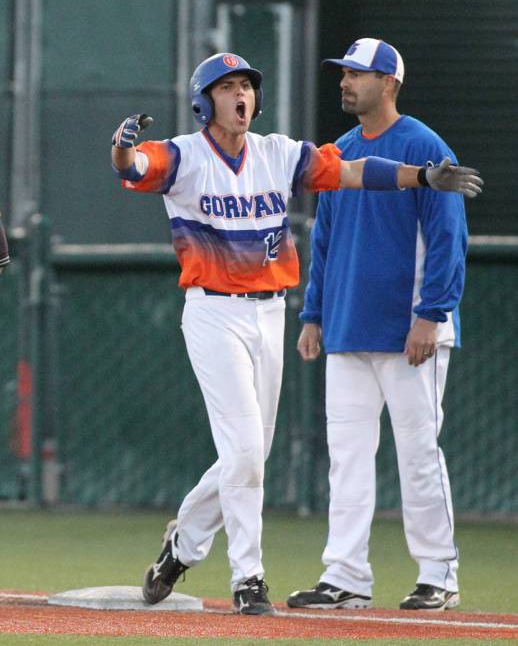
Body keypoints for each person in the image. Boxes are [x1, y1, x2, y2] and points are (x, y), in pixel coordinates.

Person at [111, 52, 482, 615]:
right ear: (204, 100)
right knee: (247, 453)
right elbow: (136, 166)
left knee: (248, 455)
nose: (241, 95)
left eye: (247, 86)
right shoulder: (187, 155)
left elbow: (354, 172)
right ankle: (249, 578)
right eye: (228, 86)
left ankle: (181, 546)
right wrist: (121, 146)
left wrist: (422, 176)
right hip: (213, 312)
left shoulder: (279, 153)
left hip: (269, 313)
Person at [287, 38, 477, 613]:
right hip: (346, 327)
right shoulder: (338, 154)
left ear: (389, 82)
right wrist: (314, 313)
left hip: (408, 333)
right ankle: (345, 577)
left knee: (419, 453)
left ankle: (438, 574)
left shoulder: (425, 146)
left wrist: (431, 315)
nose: (344, 82)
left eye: (356, 74)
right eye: (342, 73)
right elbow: (324, 241)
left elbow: (449, 239)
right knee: (346, 456)